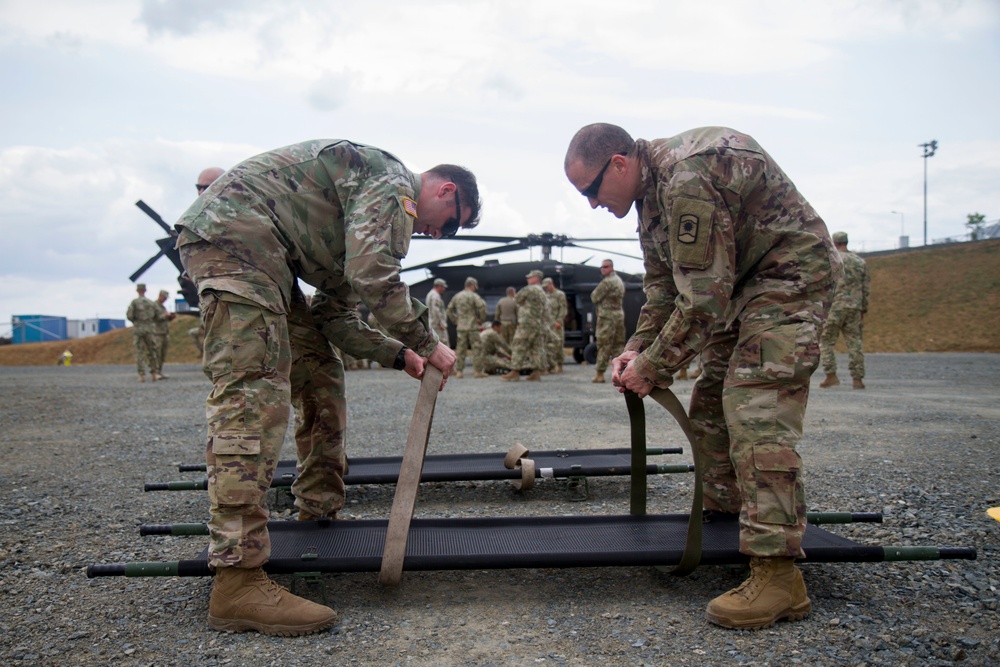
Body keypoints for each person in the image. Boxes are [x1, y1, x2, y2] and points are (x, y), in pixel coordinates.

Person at [174, 139, 481, 636]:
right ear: (445, 190)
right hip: (239, 241)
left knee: (319, 370)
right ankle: (237, 580)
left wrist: (400, 354)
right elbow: (375, 273)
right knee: (253, 397)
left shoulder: (356, 216)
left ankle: (317, 512)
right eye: (448, 222)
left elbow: (332, 315)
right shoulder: (392, 185)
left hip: (264, 254)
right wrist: (428, 340)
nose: (437, 233)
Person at [565, 123, 842, 630]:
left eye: (590, 190)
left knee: (754, 407)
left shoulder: (684, 178)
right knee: (710, 405)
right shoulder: (649, 200)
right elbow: (663, 288)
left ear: (620, 164)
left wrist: (654, 367)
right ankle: (726, 526)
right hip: (740, 287)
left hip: (787, 277)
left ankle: (778, 574)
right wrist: (635, 350)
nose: (591, 204)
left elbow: (702, 299)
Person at [819, 231, 870, 390]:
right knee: (855, 342)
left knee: (826, 341)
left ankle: (831, 375)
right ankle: (857, 379)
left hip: (834, 307)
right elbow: (865, 289)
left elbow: (822, 285)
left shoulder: (830, 260)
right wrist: (863, 309)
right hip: (854, 307)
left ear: (834, 243)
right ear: (846, 242)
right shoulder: (860, 262)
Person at [501, 270, 549, 382]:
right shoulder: (542, 291)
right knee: (536, 347)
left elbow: (517, 299)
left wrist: (522, 303)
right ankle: (536, 372)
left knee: (519, 345)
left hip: (527, 323)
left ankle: (515, 371)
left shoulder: (529, 289)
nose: (528, 279)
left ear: (536, 278)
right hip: (538, 324)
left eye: (530, 277)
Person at [589, 259, 626, 383]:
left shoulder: (607, 282)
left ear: (611, 267)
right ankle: (621, 373)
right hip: (618, 315)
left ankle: (600, 374)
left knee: (604, 344)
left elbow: (594, 297)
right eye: (602, 267)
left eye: (605, 267)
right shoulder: (619, 280)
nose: (602, 269)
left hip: (607, 317)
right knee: (618, 345)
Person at [446, 276, 487, 378]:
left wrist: (456, 321)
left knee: (461, 349)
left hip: (461, 327)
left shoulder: (457, 296)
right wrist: (481, 320)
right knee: (476, 348)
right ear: (472, 285)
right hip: (473, 326)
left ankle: (459, 372)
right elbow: (482, 307)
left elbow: (449, 310)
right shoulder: (474, 296)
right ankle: (477, 371)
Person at [126, 283, 160, 382]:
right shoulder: (151, 303)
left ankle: (142, 375)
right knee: (152, 351)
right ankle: (154, 373)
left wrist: (137, 322)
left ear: (137, 290)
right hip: (150, 328)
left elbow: (129, 316)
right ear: (145, 290)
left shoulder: (134, 302)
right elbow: (157, 316)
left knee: (139, 352)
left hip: (138, 329)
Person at [542, 277, 568, 373]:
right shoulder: (546, 296)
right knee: (548, 344)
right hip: (547, 324)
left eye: (546, 286)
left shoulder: (559, 295)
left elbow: (563, 309)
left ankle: (560, 364)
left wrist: (559, 321)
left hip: (556, 323)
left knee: (559, 343)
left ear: (551, 284)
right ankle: (551, 364)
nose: (545, 288)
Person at [151, 289, 177, 379]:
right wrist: (164, 316)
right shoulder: (154, 306)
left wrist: (171, 317)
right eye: (165, 298)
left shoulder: (163, 307)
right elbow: (153, 317)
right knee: (156, 353)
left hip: (164, 332)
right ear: (160, 296)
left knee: (162, 353)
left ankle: (160, 371)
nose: (165, 300)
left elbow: (164, 318)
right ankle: (155, 372)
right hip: (157, 333)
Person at [426, 278, 449, 346]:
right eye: (443, 287)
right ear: (439, 286)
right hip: (437, 326)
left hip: (433, 324)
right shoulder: (435, 296)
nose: (444, 289)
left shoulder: (430, 294)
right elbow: (436, 311)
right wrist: (440, 323)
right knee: (443, 345)